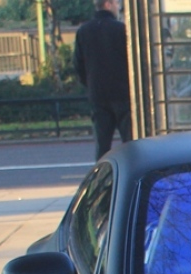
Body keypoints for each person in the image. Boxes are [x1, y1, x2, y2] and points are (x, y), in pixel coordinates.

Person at [74, 0, 132, 159]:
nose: (118, 7)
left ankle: (103, 179)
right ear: (108, 4)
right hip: (123, 95)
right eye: (117, 3)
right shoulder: (122, 30)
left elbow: (78, 65)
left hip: (98, 95)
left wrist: (90, 85)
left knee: (102, 145)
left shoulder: (83, 31)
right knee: (130, 143)